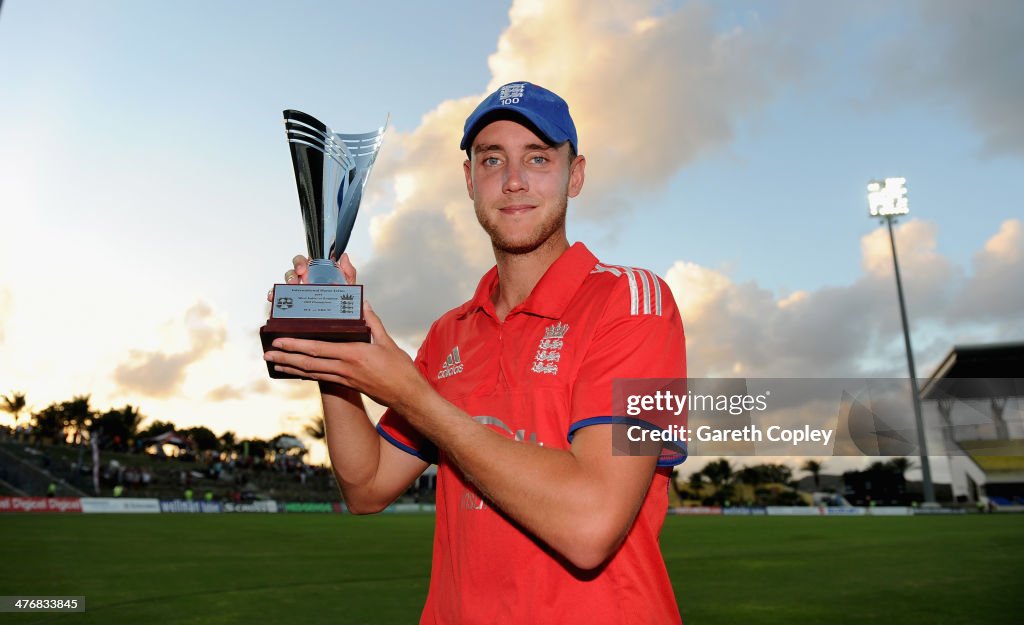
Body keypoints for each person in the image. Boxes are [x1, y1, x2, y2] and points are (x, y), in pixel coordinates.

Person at [265, 81, 686, 624]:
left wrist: (411, 395)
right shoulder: (449, 333)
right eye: (492, 160)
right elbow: (366, 487)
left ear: (574, 175)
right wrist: (337, 356)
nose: (513, 181)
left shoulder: (633, 303)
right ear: (469, 180)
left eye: (537, 157)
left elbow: (591, 525)